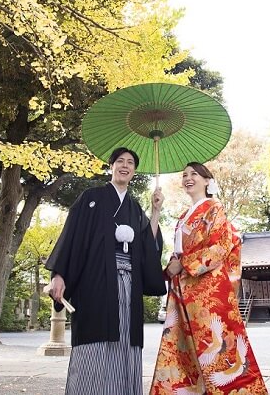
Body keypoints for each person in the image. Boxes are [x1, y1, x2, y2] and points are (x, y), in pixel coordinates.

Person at [45, 147, 166, 395]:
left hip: (129, 285)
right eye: (120, 161)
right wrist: (59, 274)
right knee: (95, 336)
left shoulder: (134, 208)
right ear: (111, 166)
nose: (125, 165)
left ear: (134, 171)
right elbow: (72, 238)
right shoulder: (91, 197)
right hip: (95, 282)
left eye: (130, 162)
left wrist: (155, 211)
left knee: (125, 339)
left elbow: (146, 248)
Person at [150, 162, 267, 395]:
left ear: (207, 181)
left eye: (194, 174)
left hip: (207, 290)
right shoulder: (183, 216)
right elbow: (178, 252)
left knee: (218, 347)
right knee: (183, 346)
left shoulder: (214, 208)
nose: (187, 178)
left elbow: (219, 247)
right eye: (184, 175)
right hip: (183, 287)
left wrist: (182, 264)